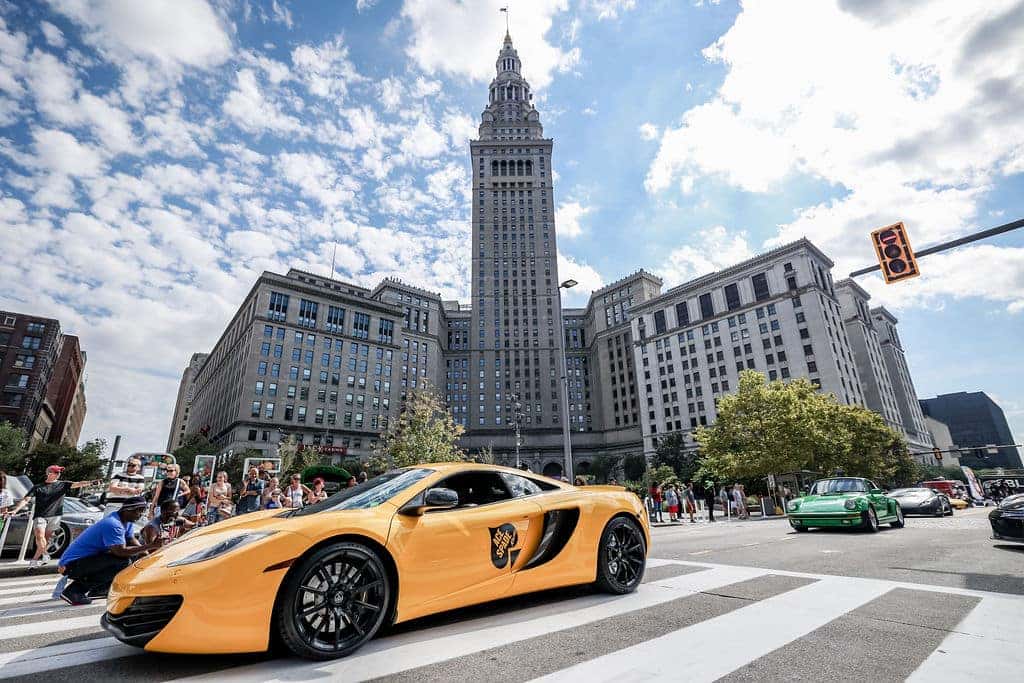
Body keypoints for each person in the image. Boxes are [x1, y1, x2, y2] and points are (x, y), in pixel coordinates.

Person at [57, 496, 159, 605]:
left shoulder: (126, 521)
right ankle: (73, 591)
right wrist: (150, 546)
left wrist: (147, 556)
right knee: (122, 562)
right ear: (128, 510)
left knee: (134, 556)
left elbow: (131, 540)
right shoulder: (113, 524)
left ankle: (99, 590)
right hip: (71, 565)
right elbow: (120, 551)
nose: (141, 515)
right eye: (139, 511)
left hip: (86, 560)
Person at [7, 466, 99, 567]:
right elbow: (26, 500)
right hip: (40, 515)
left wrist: (91, 482)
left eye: (59, 472)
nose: (58, 474)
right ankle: (45, 554)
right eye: (56, 472)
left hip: (55, 516)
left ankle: (34, 560)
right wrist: (15, 510)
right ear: (49, 473)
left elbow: (78, 483)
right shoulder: (38, 487)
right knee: (39, 535)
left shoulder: (63, 484)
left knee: (45, 540)